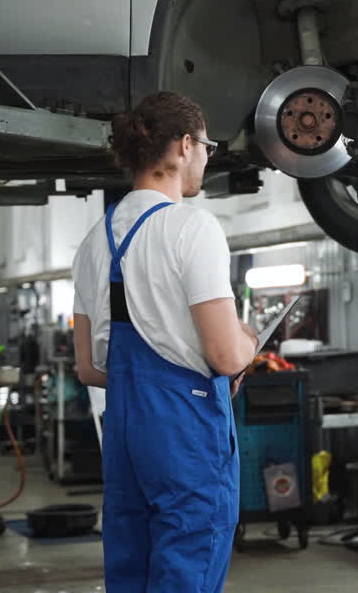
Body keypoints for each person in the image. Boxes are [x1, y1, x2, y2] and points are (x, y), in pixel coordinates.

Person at [70, 92, 257, 592]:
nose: (204, 159)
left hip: (125, 423)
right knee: (190, 557)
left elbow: (87, 368)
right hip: (184, 423)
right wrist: (251, 341)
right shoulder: (190, 226)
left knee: (131, 562)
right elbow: (223, 354)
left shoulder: (93, 242)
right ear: (183, 145)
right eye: (206, 147)